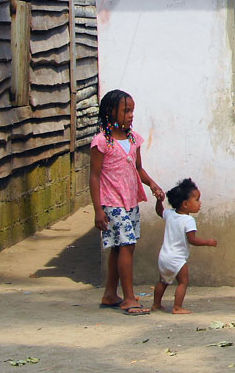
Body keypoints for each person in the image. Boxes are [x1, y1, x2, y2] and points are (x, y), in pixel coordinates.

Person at [90, 89, 163, 315]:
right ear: (112, 112)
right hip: (112, 202)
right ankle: (129, 298)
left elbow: (137, 168)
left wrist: (152, 184)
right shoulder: (102, 142)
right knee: (127, 245)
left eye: (132, 110)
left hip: (130, 200)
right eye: (126, 110)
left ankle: (110, 293)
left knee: (118, 248)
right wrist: (97, 210)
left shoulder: (133, 139)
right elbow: (94, 176)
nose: (131, 115)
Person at [153, 178, 218, 314]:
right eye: (197, 200)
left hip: (164, 257)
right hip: (177, 258)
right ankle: (177, 307)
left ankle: (156, 304)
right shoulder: (189, 220)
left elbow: (160, 212)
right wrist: (208, 242)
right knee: (183, 281)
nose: (200, 203)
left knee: (163, 281)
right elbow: (192, 240)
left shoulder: (170, 214)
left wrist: (159, 201)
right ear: (185, 204)